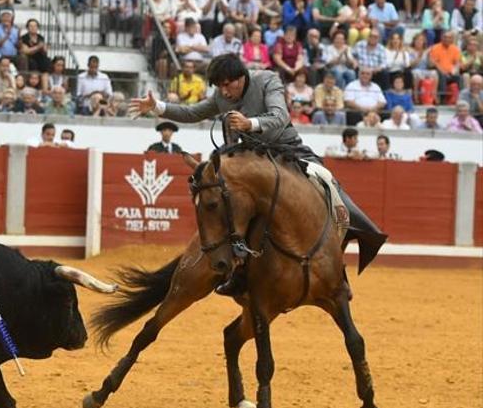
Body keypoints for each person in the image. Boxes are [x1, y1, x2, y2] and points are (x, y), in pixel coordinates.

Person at [129, 53, 386, 295]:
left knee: (327, 184)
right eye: (219, 86)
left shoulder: (267, 80)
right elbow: (194, 112)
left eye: (227, 85)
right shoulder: (222, 95)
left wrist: (249, 123)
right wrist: (158, 106)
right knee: (233, 207)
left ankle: (339, 261)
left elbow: (279, 116)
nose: (224, 91)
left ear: (241, 78)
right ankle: (238, 272)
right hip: (250, 160)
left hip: (288, 151)